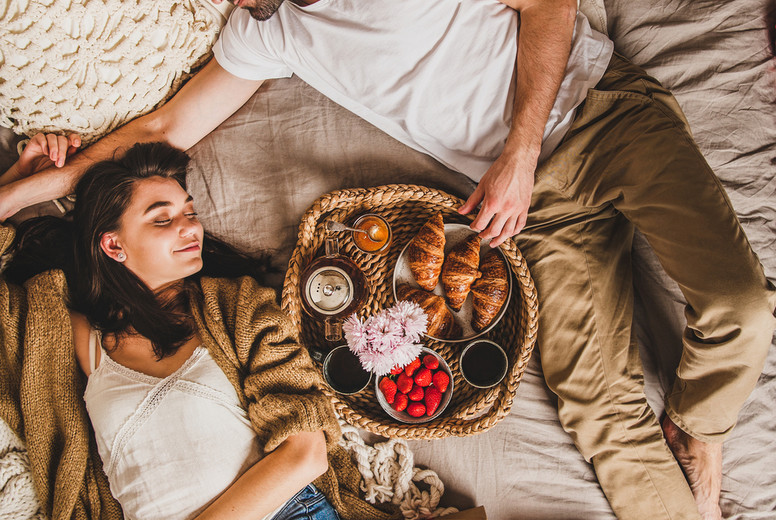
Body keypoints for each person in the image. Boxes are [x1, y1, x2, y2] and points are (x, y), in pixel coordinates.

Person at [0, 0, 774, 518]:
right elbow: (166, 126)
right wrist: (58, 181)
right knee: (595, 406)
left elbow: (548, 5)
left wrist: (518, 152)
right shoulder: (273, 33)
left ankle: (699, 422)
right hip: (534, 217)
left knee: (740, 305)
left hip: (599, 116)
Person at [0, 138, 396, 520]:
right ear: (113, 246)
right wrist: (20, 186)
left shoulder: (239, 308)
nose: (190, 227)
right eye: (162, 218)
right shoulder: (72, 335)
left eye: (189, 213)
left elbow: (305, 453)